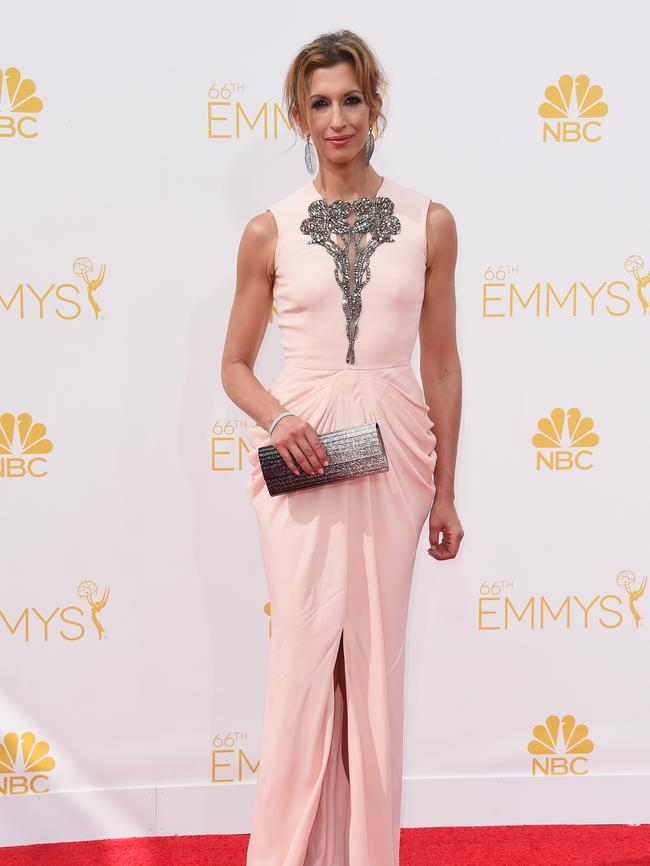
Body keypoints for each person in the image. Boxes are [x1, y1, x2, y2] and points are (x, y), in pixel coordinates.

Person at [220, 28, 464, 866]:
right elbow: (235, 366)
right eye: (320, 103)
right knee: (304, 660)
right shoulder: (268, 231)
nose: (337, 118)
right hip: (307, 454)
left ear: (376, 104)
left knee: (373, 667)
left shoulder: (430, 221)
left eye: (351, 99)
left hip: (395, 452)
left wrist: (446, 491)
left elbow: (440, 361)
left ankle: (365, 854)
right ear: (298, 114)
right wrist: (278, 417)